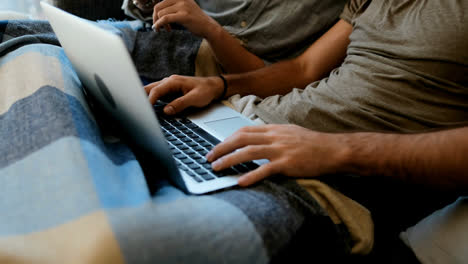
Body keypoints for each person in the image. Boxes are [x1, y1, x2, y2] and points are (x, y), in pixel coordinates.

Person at [143, 0, 468, 261]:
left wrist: (337, 150)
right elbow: (304, 69)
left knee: (139, 238)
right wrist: (221, 84)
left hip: (333, 185)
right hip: (247, 126)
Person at [123, 0, 348, 73]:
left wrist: (211, 30)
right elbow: (148, 10)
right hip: (147, 34)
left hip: (210, 70)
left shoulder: (347, 11)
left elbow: (287, 76)